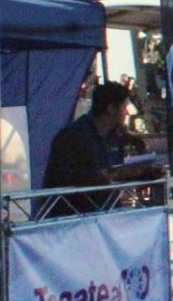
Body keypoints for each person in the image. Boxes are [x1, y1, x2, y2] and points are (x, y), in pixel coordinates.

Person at [40, 80, 131, 215]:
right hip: (73, 216)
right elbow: (60, 178)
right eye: (124, 107)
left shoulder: (115, 136)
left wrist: (143, 173)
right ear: (111, 109)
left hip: (108, 212)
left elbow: (117, 172)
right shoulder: (72, 135)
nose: (127, 113)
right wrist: (95, 178)